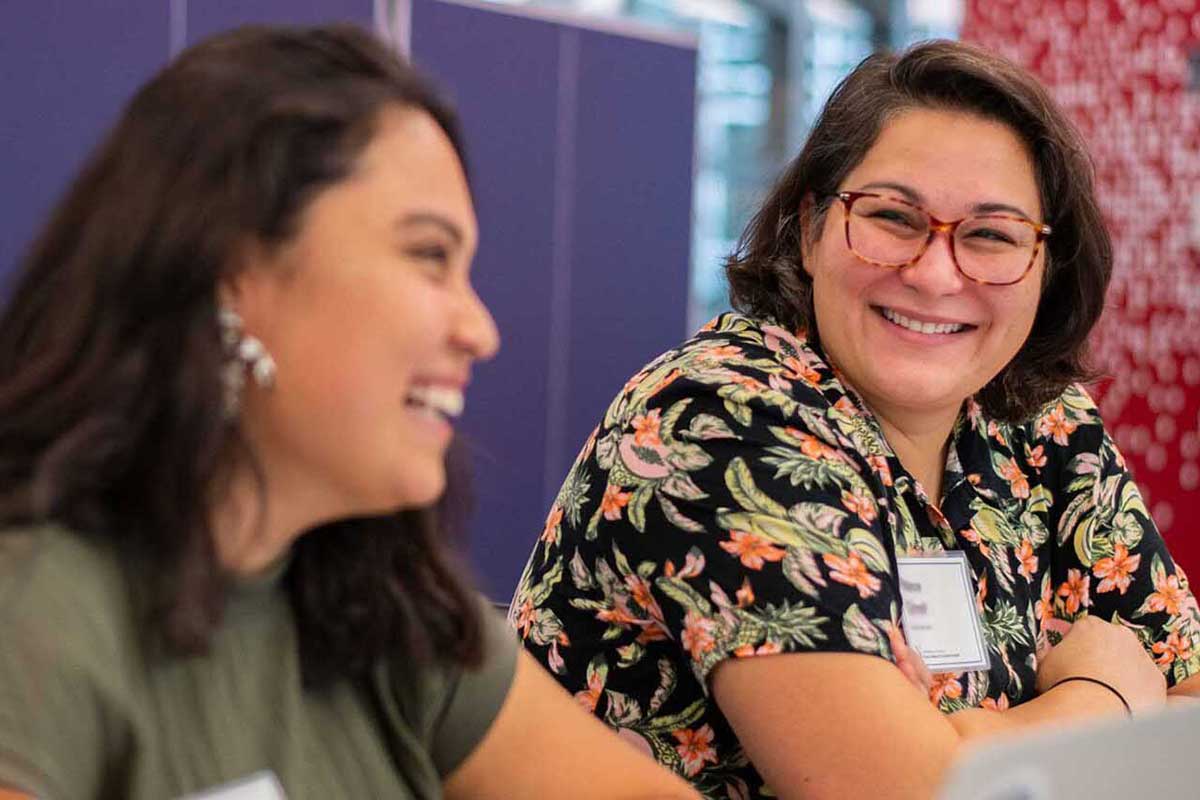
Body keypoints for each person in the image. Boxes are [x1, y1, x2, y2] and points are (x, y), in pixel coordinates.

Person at [0, 24, 698, 800]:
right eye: (429, 255)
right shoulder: (37, 613)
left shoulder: (387, 611)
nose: (480, 329)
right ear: (233, 271)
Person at [510, 39, 1200, 799]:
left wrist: (963, 742)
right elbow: (896, 792)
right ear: (809, 230)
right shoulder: (719, 419)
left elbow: (1192, 723)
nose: (936, 274)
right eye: (893, 218)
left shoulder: (1041, 420)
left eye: (992, 234)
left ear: (1047, 267)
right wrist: (1108, 699)